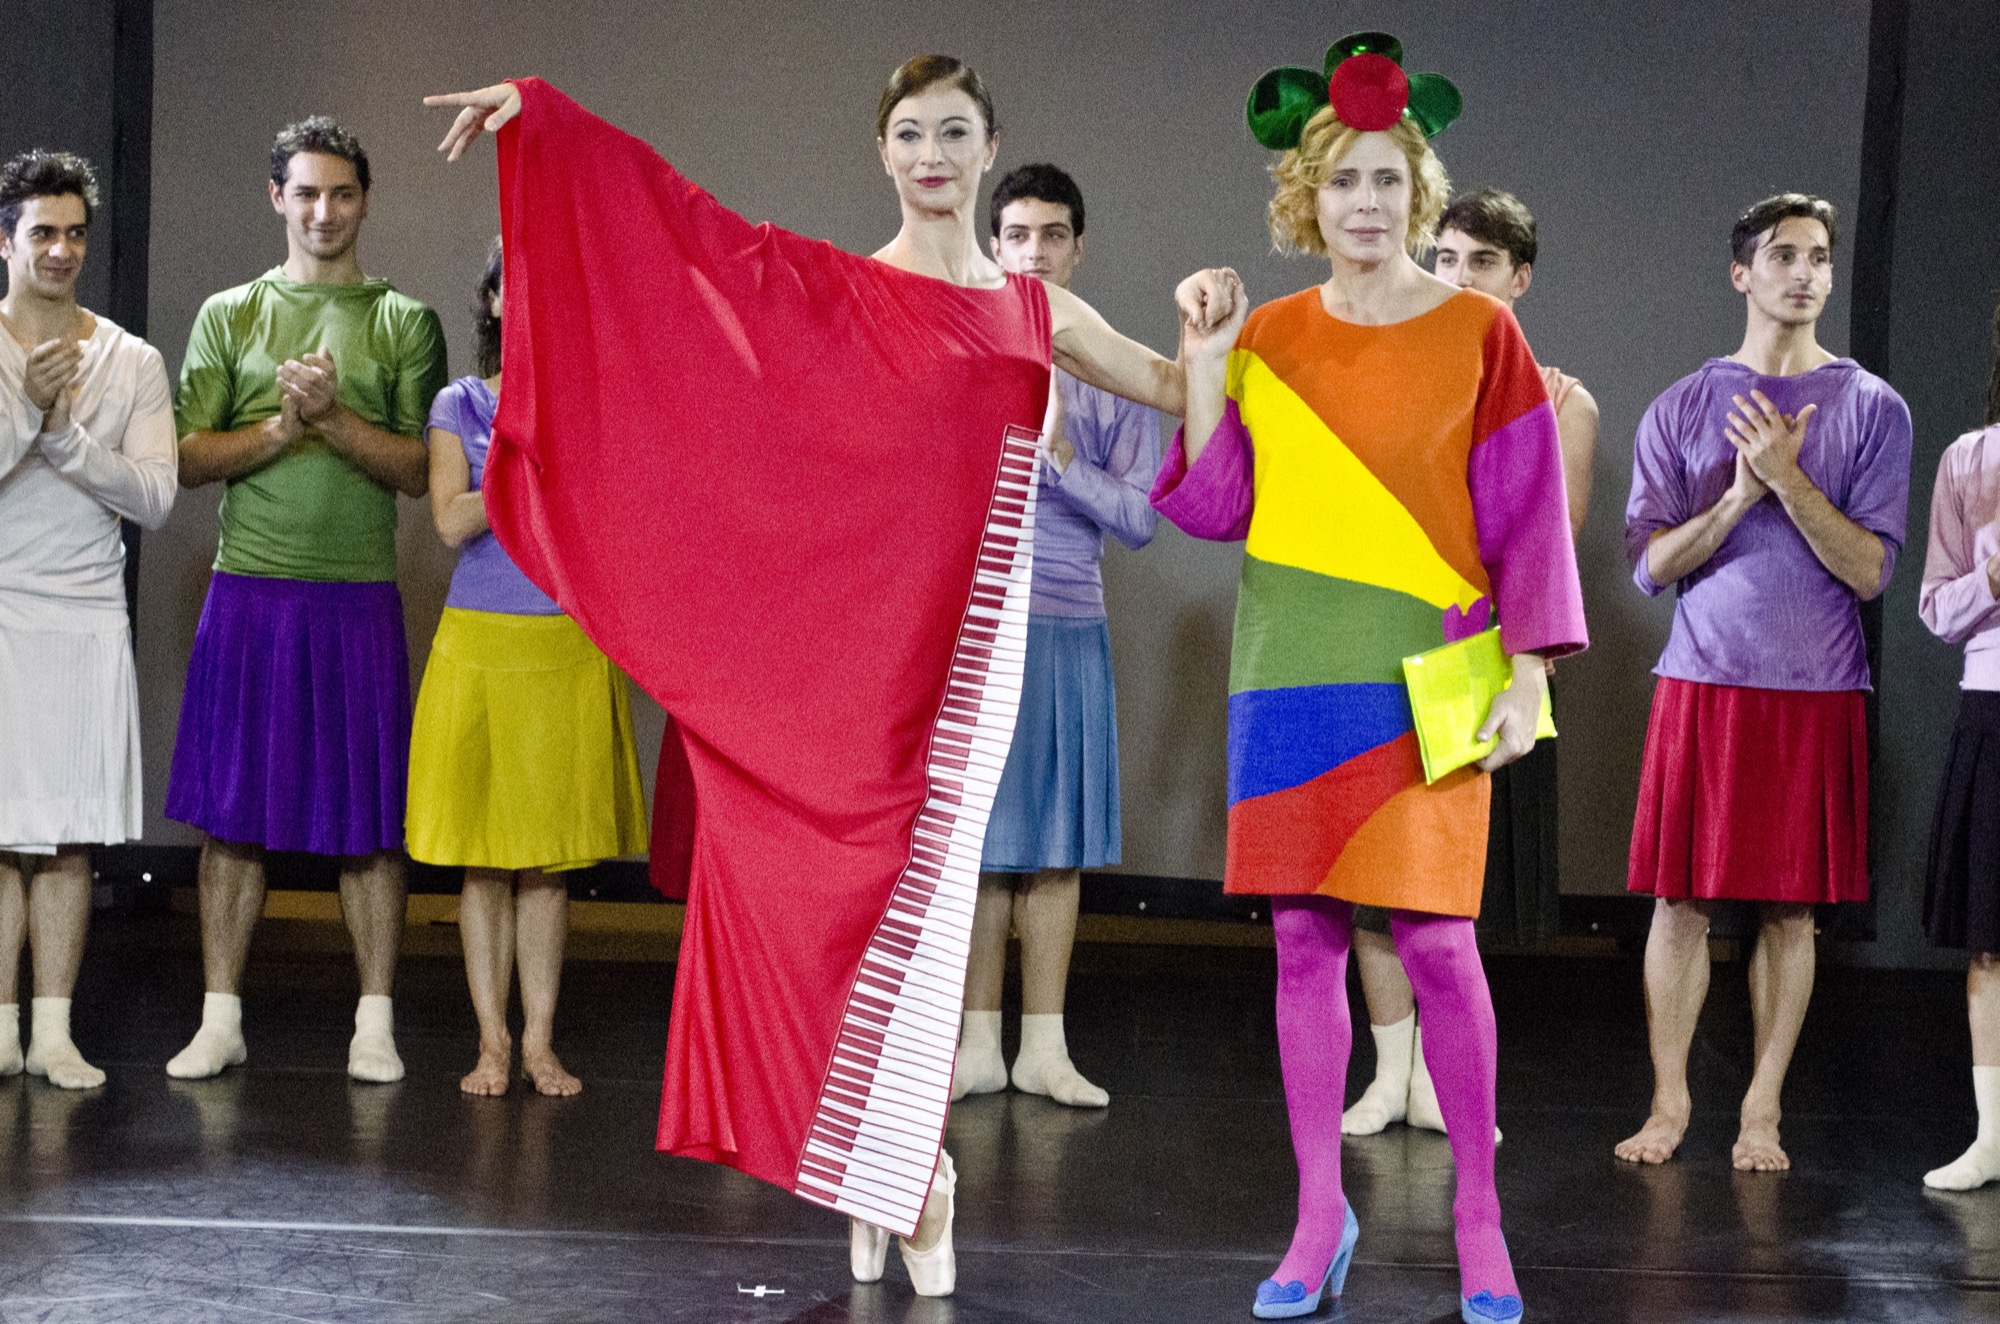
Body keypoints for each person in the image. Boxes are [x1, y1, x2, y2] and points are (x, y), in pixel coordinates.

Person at [425, 56, 1199, 1298]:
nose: (933, 152)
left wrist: (1210, 344)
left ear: (990, 144)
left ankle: (910, 1172)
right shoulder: (841, 289)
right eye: (909, 133)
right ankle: (879, 1170)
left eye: (954, 130)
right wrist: (552, 124)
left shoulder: (1038, 312)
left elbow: (1172, 393)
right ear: (883, 155)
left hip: (979, 640)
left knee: (931, 899)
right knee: (824, 896)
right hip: (860, 642)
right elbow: (686, 245)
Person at [1156, 33, 1584, 1322]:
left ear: (1420, 192)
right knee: (1299, 944)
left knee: (1441, 946)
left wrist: (1528, 676)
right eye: (1341, 180)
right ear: (1307, 195)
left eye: (1387, 181)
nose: (1364, 203)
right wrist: (1197, 365)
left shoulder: (1478, 332)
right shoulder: (1270, 335)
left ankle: (1475, 1217)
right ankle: (1314, 1215)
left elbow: (1526, 521)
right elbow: (1217, 504)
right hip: (1286, 673)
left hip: (1425, 675)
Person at [1616, 194, 1911, 1172]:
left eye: (1818, 257)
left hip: (1816, 688)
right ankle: (1667, 1103)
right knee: (1678, 900)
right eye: (1782, 255)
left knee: (1789, 910)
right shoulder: (1681, 403)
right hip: (1700, 681)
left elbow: (1869, 571)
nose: (1803, 272)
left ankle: (1759, 1113)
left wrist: (1787, 482)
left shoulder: (1871, 407)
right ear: (1740, 273)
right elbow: (1649, 566)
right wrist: (1737, 494)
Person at [164, 117, 447, 1083]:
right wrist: (284, 431)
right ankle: (219, 1018)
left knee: (369, 820)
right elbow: (189, 457)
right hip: (248, 591)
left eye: (342, 194)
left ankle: (374, 1023)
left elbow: (418, 472)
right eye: (306, 193)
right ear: (276, 198)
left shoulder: (404, 320)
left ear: (365, 201)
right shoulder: (228, 313)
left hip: (357, 597)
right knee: (231, 816)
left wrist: (334, 416)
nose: (324, 212)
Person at [1345, 186, 1599, 1137]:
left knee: (1454, 898)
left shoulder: (1559, 398)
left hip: (1489, 663)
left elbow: (1549, 539)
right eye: (1444, 259)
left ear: (1518, 279)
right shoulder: (1393, 377)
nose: (1457, 279)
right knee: (1374, 888)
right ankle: (1389, 1074)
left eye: (1481, 263)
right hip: (1392, 648)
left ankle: (1450, 1087)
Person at [406, 239, 649, 1098]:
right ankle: (491, 1045)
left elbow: (606, 520)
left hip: (564, 643)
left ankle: (540, 1041)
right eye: (519, 289)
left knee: (548, 864)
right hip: (478, 645)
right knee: (481, 861)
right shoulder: (457, 403)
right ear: (495, 303)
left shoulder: (590, 404)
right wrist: (522, 462)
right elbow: (450, 521)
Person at [951, 163, 1161, 1110]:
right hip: (975, 632)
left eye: (1052, 236)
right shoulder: (963, 353)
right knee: (979, 849)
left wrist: (1065, 461)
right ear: (994, 246)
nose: (1033, 253)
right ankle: (972, 1047)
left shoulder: (1114, 367)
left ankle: (1045, 1048)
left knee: (1056, 850)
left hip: (1071, 629)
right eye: (1017, 236)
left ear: (1079, 248)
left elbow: (1141, 519)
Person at [0, 150, 176, 1090]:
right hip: (1, 608)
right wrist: (26, 410)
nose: (61, 250)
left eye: (73, 233)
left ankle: (56, 1030)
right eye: (42, 234)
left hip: (82, 613)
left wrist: (64, 434)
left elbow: (154, 498)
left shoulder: (131, 359)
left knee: (67, 837)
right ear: (6, 241)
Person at [1919, 298, 2000, 1191]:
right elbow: (1936, 608)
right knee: (1990, 941)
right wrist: (1992, 577)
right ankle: (1992, 1137)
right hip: (1992, 702)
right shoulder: (1970, 461)